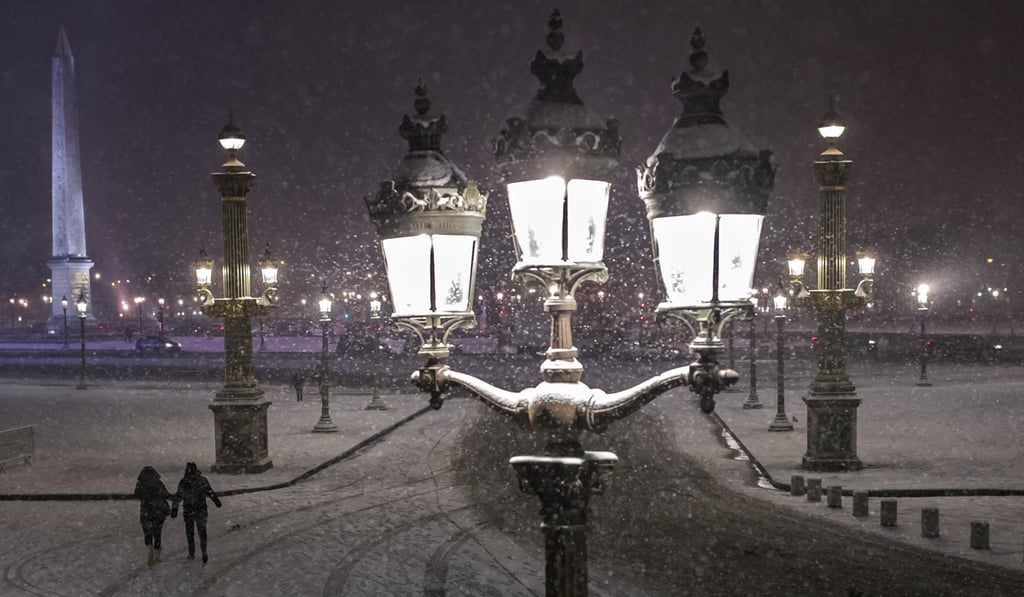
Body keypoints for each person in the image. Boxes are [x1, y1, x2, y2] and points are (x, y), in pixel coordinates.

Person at [171, 462, 222, 564]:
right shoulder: (202, 480)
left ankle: (191, 552)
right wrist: (217, 502)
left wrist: (174, 510)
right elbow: (210, 492)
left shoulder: (183, 482)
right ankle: (204, 550)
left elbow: (178, 497)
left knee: (189, 532)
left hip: (188, 510)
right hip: (201, 509)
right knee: (202, 531)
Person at [133, 466, 172, 567]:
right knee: (157, 533)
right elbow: (166, 495)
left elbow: (137, 495)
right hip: (158, 512)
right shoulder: (158, 483)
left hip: (145, 512)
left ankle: (149, 548)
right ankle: (156, 555)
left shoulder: (140, 484)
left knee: (147, 533)